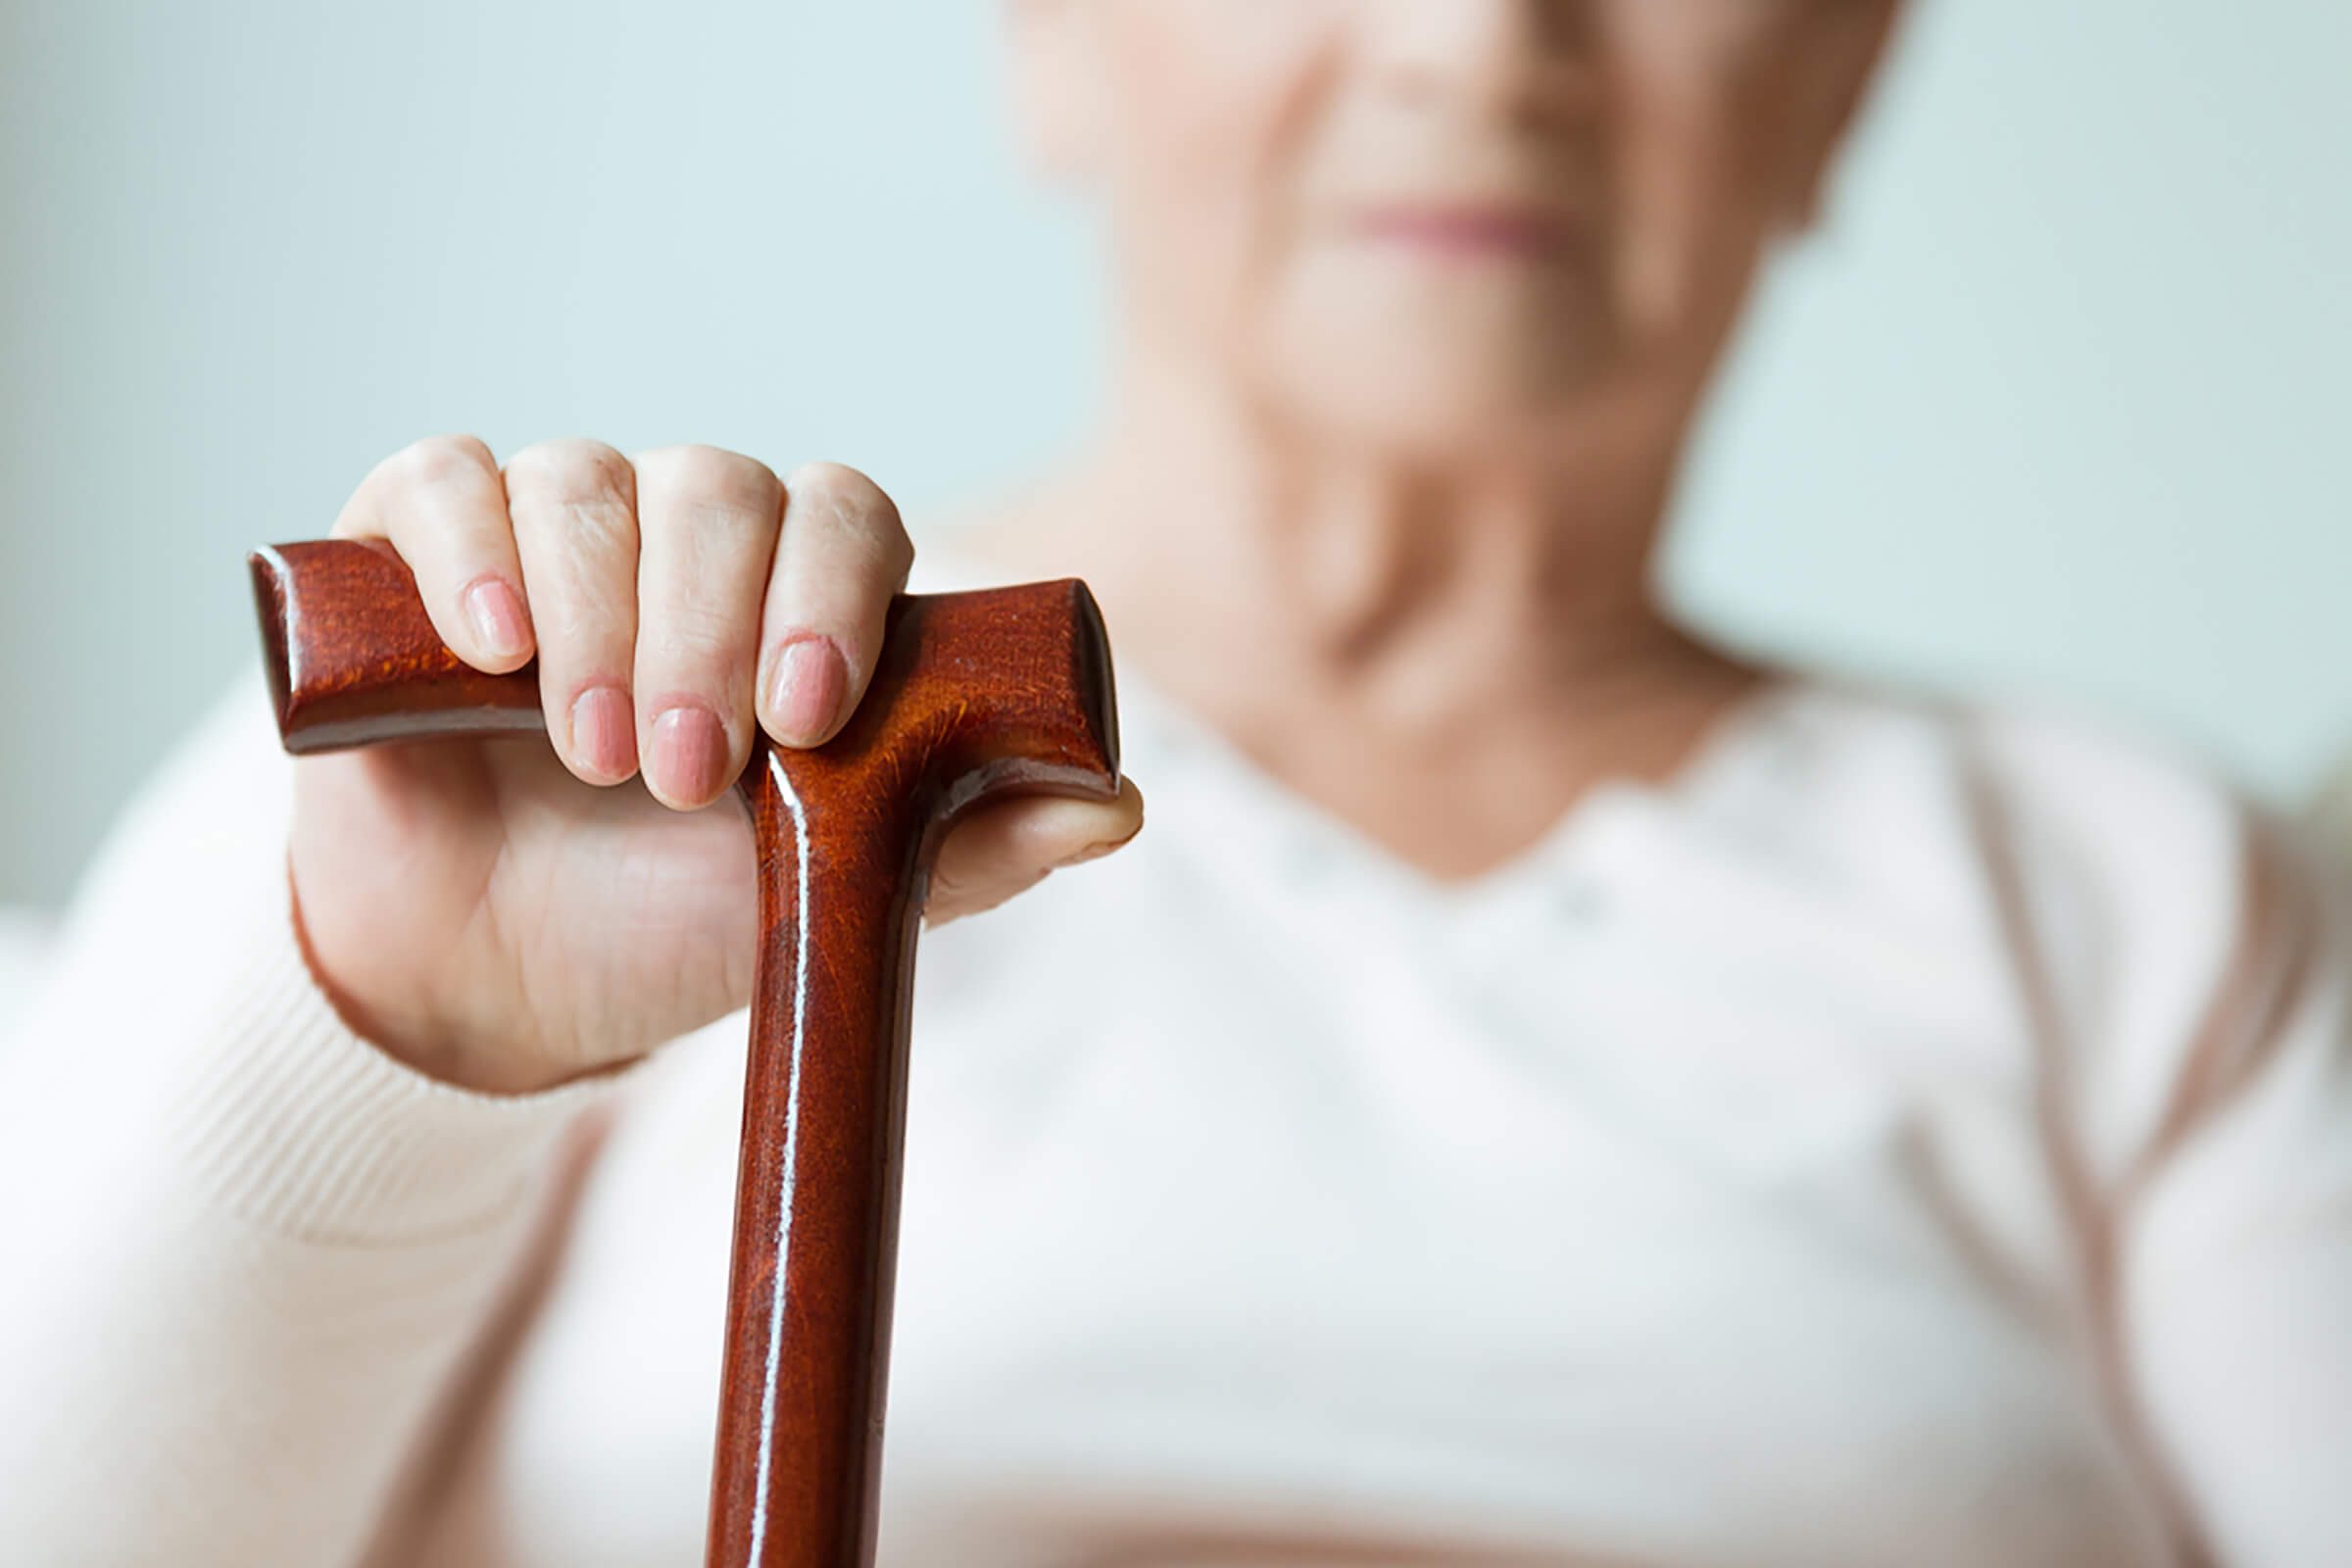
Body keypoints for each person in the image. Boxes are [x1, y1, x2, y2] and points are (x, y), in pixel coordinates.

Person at [4, 3, 2347, 1563]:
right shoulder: (524, 721)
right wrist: (400, 1037)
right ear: (1051, 39)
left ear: (1844, 76)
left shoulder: (2132, 896)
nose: (1481, 42)